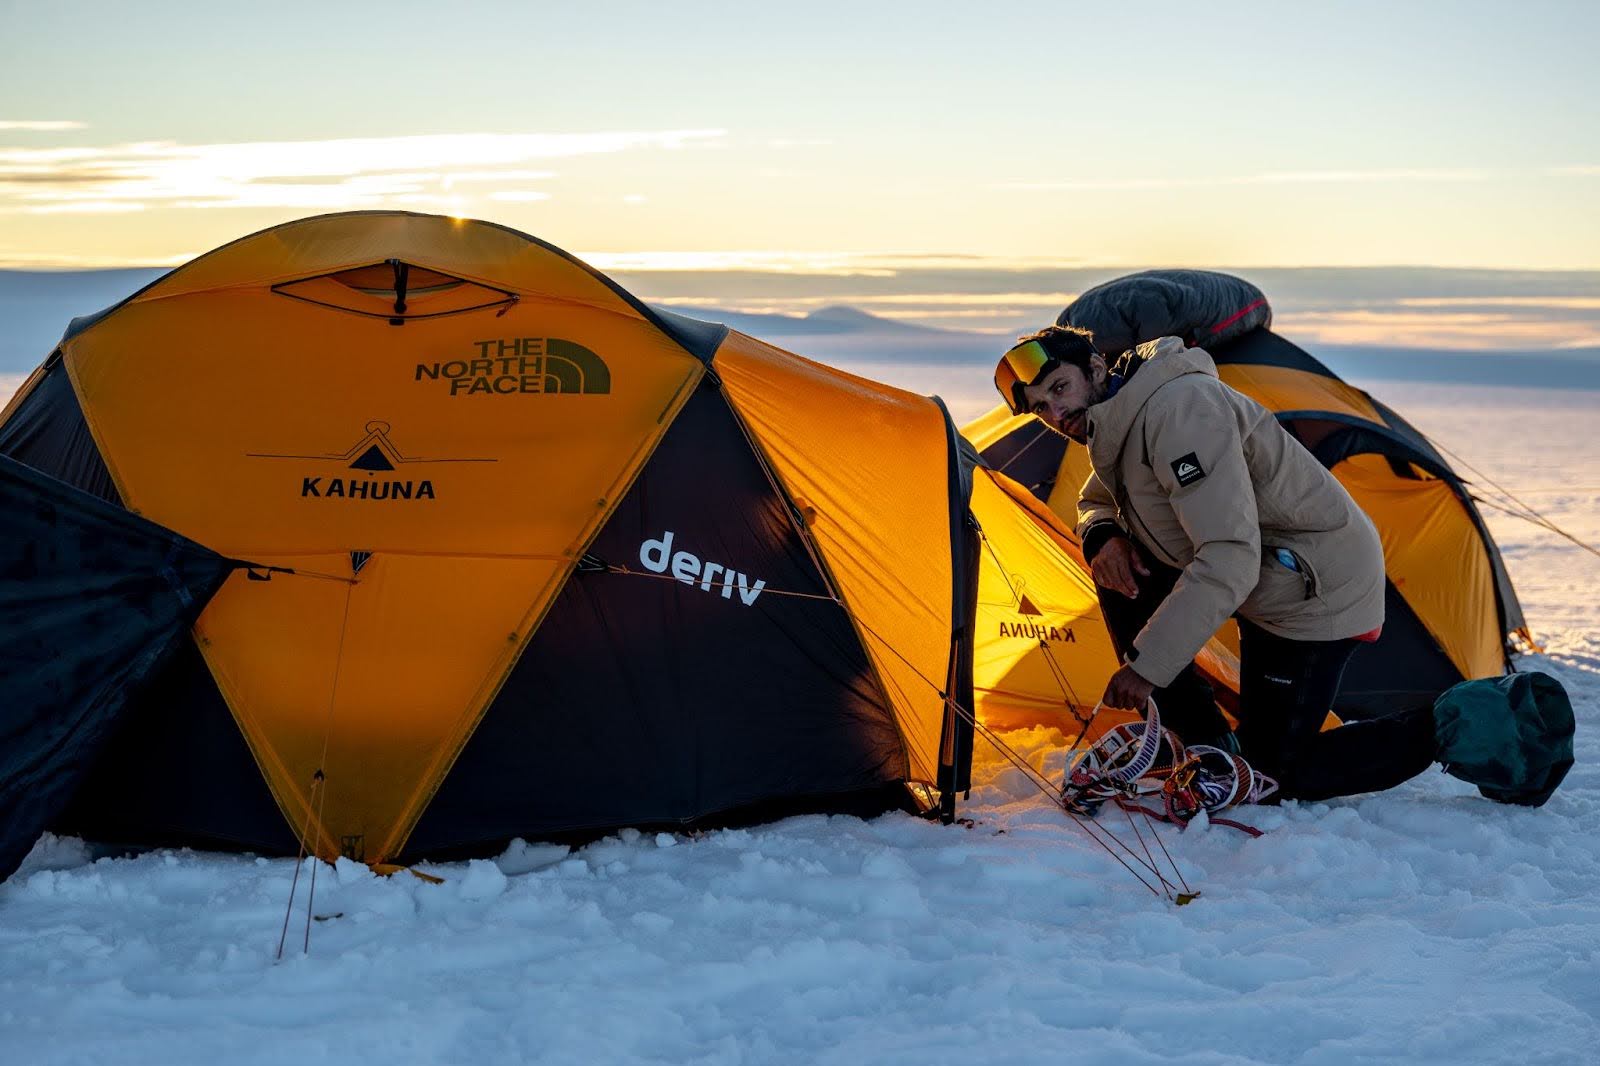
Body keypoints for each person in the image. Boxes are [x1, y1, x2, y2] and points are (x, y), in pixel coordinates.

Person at [992, 325, 1437, 800]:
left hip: (1314, 591)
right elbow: (1096, 498)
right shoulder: (1117, 418)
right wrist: (1104, 538)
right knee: (1118, 569)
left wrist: (1147, 668)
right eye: (1039, 406)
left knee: (1272, 775)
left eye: (1059, 388)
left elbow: (1229, 555)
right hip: (1265, 579)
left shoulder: (1179, 413)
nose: (1055, 412)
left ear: (1096, 369)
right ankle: (1204, 746)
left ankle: (1453, 723)